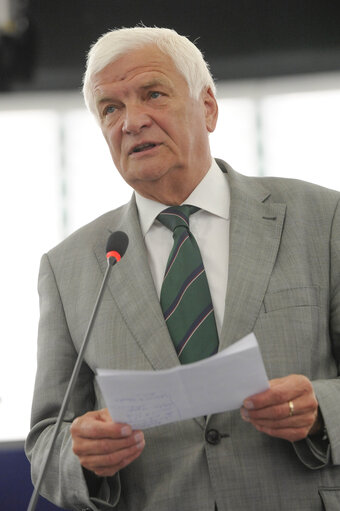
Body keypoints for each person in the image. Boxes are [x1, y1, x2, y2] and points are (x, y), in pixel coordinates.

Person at [25, 26, 340, 511]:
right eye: (111, 108)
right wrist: (82, 455)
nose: (132, 122)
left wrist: (322, 411)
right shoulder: (68, 267)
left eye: (153, 94)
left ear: (208, 107)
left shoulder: (323, 220)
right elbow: (47, 440)